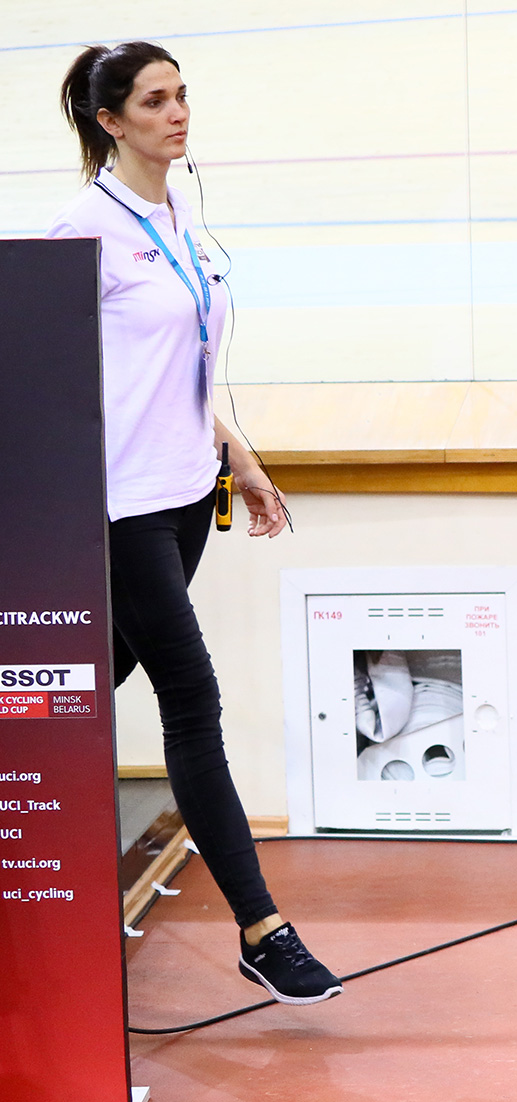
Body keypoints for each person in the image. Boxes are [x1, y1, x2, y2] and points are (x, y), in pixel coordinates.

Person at [50, 42, 342, 1004]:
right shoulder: (81, 231)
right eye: (155, 100)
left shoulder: (179, 217)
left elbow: (179, 372)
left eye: (182, 96)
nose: (179, 113)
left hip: (185, 502)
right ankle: (263, 928)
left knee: (92, 681)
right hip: (121, 507)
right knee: (191, 698)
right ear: (110, 121)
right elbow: (52, 383)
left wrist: (237, 455)